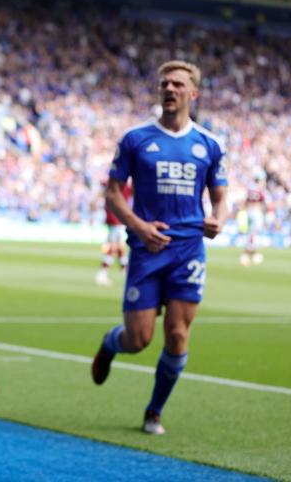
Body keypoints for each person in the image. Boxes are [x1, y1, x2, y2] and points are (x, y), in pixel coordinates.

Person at [90, 60, 228, 435]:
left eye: (178, 84)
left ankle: (154, 411)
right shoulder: (135, 139)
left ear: (192, 93)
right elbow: (113, 192)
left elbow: (220, 196)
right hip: (147, 249)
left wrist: (219, 217)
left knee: (179, 334)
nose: (169, 88)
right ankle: (110, 344)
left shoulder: (209, 145)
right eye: (164, 83)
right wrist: (138, 225)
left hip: (188, 251)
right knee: (138, 340)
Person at [96, 180, 132, 287]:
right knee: (114, 247)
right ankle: (102, 273)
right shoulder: (123, 188)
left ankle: (125, 272)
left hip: (114, 221)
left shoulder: (112, 188)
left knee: (119, 248)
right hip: (117, 221)